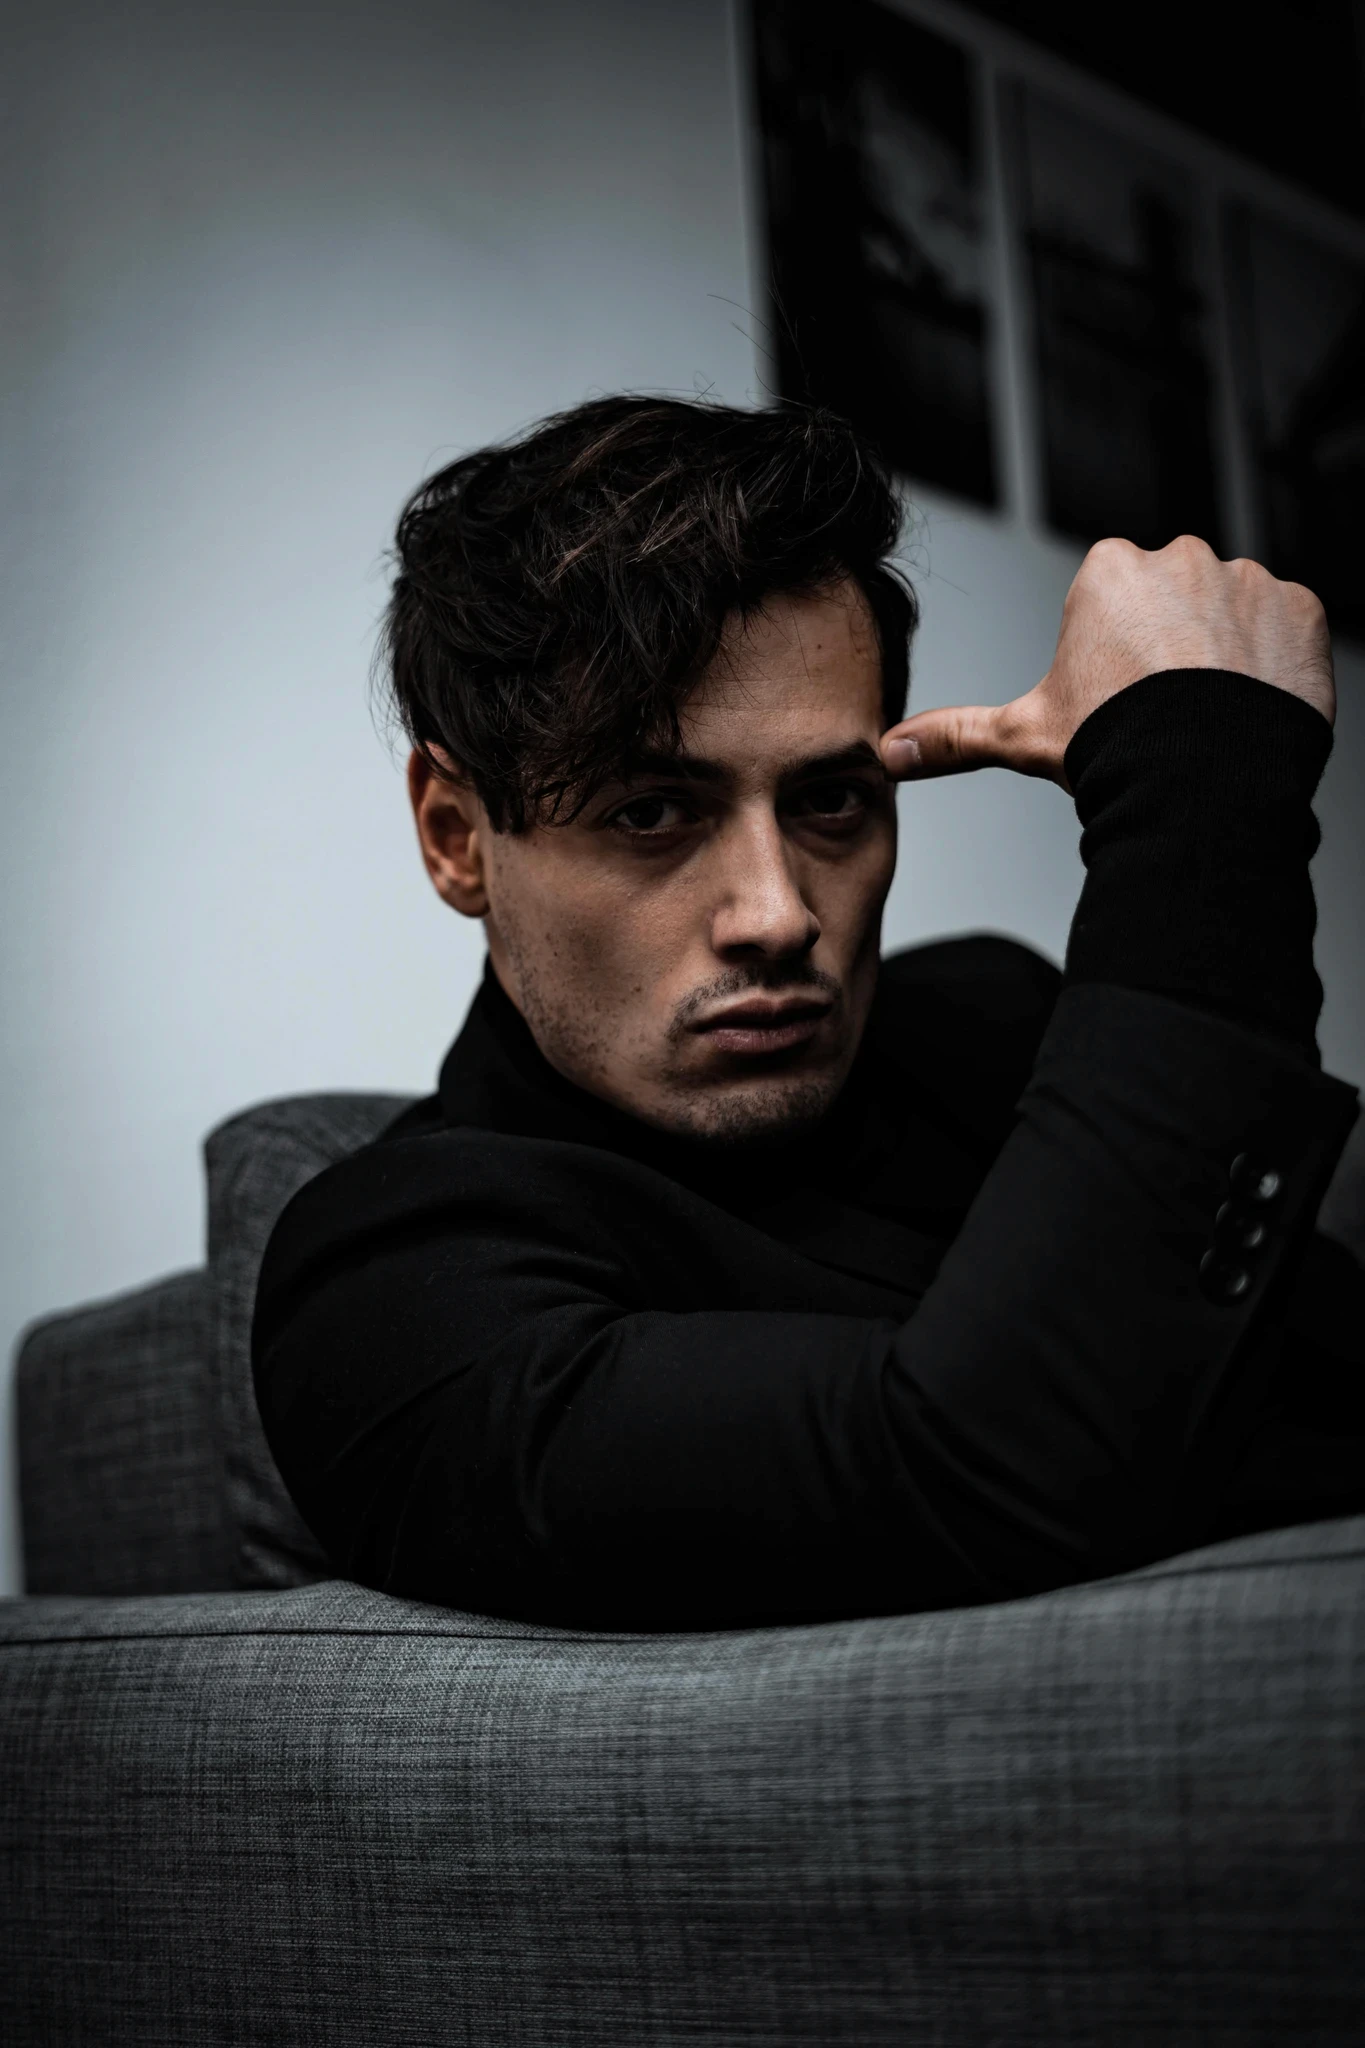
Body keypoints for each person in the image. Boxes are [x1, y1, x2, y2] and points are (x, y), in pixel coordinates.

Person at [252, 395, 1363, 1628]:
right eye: (650, 813)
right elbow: (984, 1467)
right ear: (457, 836)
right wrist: (1203, 779)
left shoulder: (990, 1020)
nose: (778, 914)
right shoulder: (386, 1289)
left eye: (832, 800)